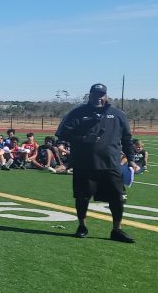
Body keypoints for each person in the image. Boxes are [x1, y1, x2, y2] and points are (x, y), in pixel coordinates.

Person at [56, 83, 137, 243]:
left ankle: (117, 229)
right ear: (90, 95)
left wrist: (131, 159)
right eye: (95, 94)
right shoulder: (77, 113)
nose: (98, 97)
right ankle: (82, 226)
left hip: (111, 163)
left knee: (118, 197)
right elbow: (63, 134)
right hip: (84, 163)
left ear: (106, 96)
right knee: (82, 197)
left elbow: (127, 139)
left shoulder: (117, 114)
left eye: (101, 95)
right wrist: (83, 139)